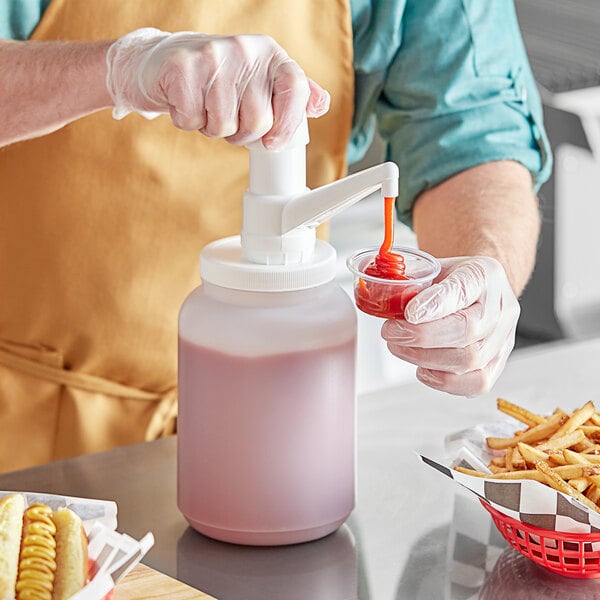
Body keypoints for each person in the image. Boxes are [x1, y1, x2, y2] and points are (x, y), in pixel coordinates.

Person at [0, 0, 551, 472]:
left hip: (269, 431)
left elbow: (473, 126)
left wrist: (483, 269)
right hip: (26, 425)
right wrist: (120, 69)